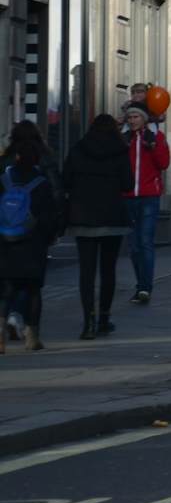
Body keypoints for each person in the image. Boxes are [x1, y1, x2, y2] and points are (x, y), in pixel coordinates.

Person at [62, 115, 130, 339]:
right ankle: (104, 317)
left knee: (86, 272)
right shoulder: (120, 151)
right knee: (108, 270)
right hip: (111, 216)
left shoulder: (78, 149)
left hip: (83, 216)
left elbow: (65, 181)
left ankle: (87, 321)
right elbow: (128, 184)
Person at [0, 122, 59, 353]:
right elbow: (49, 214)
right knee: (33, 290)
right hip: (33, 244)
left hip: (5, 241)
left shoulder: (3, 178)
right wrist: (51, 235)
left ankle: (1, 336)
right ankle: (32, 338)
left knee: (5, 289)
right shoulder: (40, 183)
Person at [119, 101, 169, 305]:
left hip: (149, 196)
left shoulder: (156, 136)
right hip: (128, 196)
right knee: (134, 245)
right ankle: (141, 283)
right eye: (130, 117)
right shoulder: (124, 139)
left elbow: (164, 163)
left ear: (144, 119)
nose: (132, 121)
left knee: (146, 242)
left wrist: (154, 145)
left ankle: (145, 288)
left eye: (136, 117)